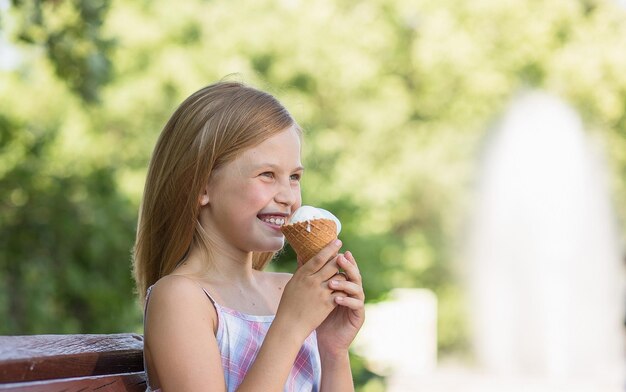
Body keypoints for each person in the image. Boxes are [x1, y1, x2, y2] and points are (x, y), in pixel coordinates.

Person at [132, 81, 365, 392]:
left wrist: (334, 350)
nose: (287, 196)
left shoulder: (289, 290)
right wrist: (291, 325)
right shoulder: (181, 298)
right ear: (202, 186)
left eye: (294, 177)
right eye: (267, 174)